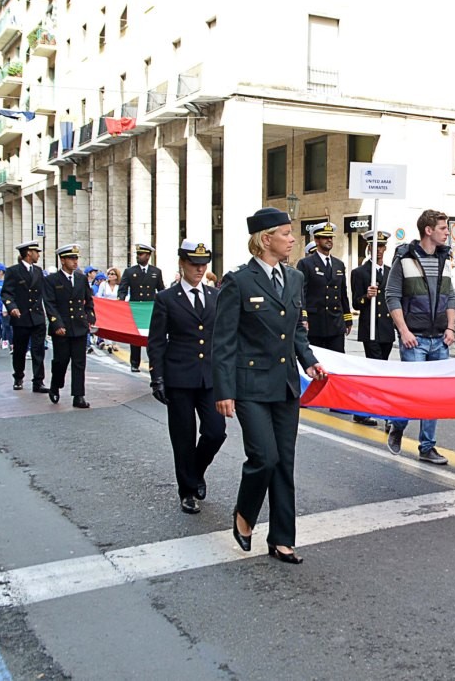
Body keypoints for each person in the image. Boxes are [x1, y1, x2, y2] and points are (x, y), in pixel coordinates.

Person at [213, 207, 325, 563]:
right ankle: (245, 514)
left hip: (285, 385)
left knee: (284, 463)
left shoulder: (294, 278)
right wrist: (224, 390)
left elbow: (296, 332)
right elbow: (223, 341)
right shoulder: (238, 281)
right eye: (286, 233)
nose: (292, 239)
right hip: (250, 386)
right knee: (264, 457)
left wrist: (309, 361)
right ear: (265, 239)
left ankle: (282, 539)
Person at [148, 240, 226, 515]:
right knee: (183, 437)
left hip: (209, 377)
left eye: (204, 264)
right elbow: (157, 341)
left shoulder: (215, 296)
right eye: (194, 264)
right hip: (179, 377)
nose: (200, 269)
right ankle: (187, 491)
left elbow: (223, 338)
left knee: (216, 432)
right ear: (182, 264)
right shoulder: (167, 298)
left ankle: (196, 471)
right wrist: (157, 377)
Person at [383, 209, 455, 466]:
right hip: (414, 339)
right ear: (428, 230)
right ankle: (398, 424)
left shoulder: (445, 259)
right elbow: (391, 296)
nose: (447, 233)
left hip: (440, 339)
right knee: (412, 392)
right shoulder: (404, 259)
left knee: (433, 395)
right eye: (443, 228)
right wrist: (404, 331)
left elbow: (450, 297)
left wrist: (451, 328)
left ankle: (427, 447)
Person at [349, 230, 395, 427]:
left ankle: (363, 410)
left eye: (381, 246)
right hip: (371, 328)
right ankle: (377, 412)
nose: (378, 250)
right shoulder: (359, 273)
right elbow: (355, 303)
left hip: (386, 329)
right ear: (369, 248)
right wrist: (366, 297)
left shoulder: (391, 271)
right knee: (376, 371)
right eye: (374, 246)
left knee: (381, 370)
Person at [43, 245, 94, 408]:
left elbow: (88, 300)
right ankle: (55, 385)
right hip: (62, 327)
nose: (75, 261)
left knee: (79, 362)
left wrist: (90, 316)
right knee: (61, 360)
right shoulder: (52, 280)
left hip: (79, 325)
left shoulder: (81, 278)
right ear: (62, 260)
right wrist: (56, 323)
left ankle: (78, 395)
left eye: (76, 258)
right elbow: (50, 304)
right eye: (71, 258)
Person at [295, 223, 353, 352]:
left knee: (338, 359)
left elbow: (343, 294)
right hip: (315, 323)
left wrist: (347, 319)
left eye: (331, 237)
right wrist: (303, 318)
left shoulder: (338, 264)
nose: (329, 240)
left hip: (336, 323)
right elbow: (301, 293)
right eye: (325, 237)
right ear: (316, 240)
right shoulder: (306, 264)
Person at [1, 241, 49, 392]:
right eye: (36, 252)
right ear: (29, 253)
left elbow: (44, 292)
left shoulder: (38, 271)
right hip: (21, 317)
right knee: (20, 351)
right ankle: (18, 377)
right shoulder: (13, 271)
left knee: (38, 350)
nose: (38, 255)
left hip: (37, 317)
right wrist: (12, 307)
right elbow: (6, 293)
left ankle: (38, 381)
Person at [118, 243, 164, 372]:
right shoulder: (130, 271)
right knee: (135, 336)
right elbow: (123, 289)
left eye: (141, 254)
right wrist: (120, 302)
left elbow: (161, 290)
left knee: (152, 336)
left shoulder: (156, 272)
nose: (138, 256)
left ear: (148, 256)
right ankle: (134, 363)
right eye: (137, 254)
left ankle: (153, 363)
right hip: (136, 308)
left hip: (150, 308)